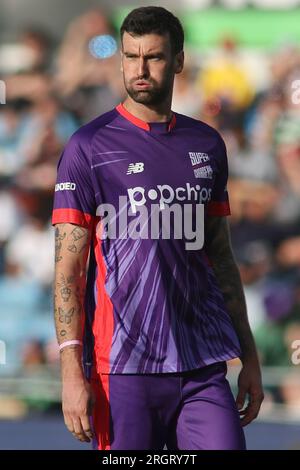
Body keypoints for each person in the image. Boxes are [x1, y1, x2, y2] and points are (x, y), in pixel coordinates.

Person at [52, 6, 264, 450]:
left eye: (153, 57)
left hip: (202, 364)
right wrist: (71, 370)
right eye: (131, 57)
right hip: (124, 369)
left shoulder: (207, 143)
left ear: (179, 61)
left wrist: (250, 356)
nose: (140, 69)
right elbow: (68, 271)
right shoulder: (89, 146)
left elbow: (220, 257)